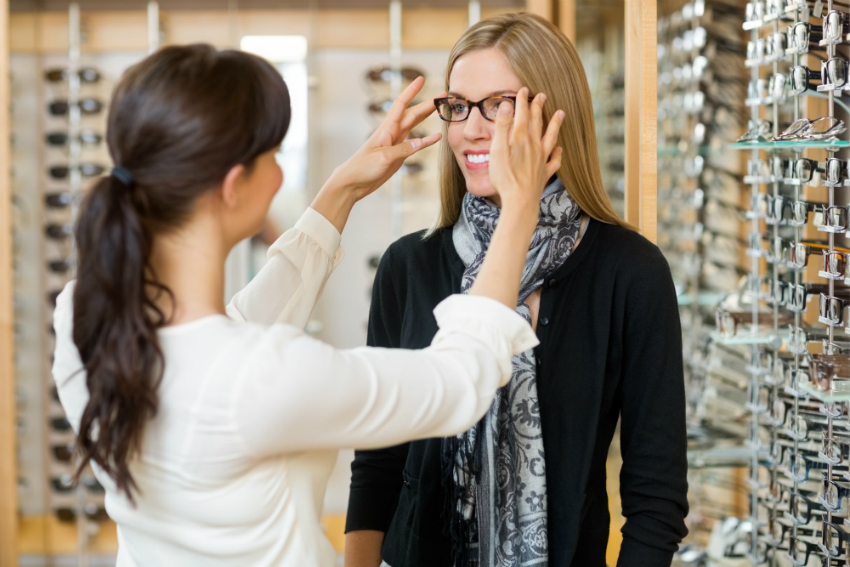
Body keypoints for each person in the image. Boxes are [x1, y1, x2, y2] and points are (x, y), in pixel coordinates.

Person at [51, 44, 566, 566]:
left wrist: (339, 192)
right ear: (234, 186)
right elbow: (460, 381)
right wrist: (520, 208)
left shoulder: (85, 316)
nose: (278, 174)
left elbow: (230, 329)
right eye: (272, 155)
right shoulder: (264, 376)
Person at [344, 13, 689, 567]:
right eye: (457, 105)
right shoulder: (408, 264)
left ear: (554, 119)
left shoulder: (630, 270)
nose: (472, 129)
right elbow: (378, 458)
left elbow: (656, 494)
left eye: (500, 105)